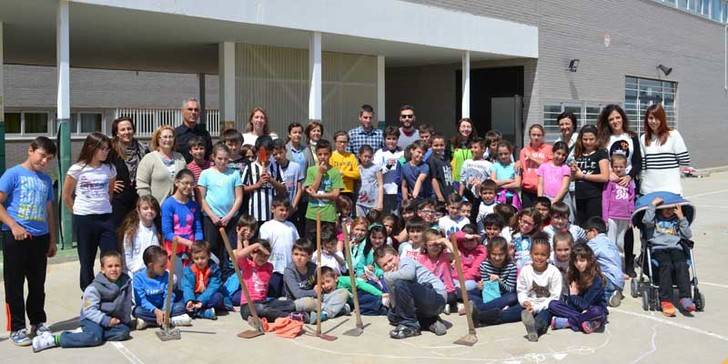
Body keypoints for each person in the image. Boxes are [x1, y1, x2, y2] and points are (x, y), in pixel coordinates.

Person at [0, 137, 57, 346]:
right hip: (15, 238)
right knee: (14, 284)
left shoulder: (45, 180)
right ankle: (17, 327)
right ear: (30, 150)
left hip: (39, 239)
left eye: (49, 159)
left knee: (37, 284)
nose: (44, 161)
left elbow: (49, 210)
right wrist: (14, 225)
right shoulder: (12, 174)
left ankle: (38, 321)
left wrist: (52, 239)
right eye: (42, 156)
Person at [31, 251, 132, 352]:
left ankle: (87, 333)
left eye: (117, 266)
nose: (114, 269)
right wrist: (106, 321)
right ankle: (54, 339)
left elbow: (127, 303)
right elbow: (89, 310)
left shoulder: (126, 282)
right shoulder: (94, 288)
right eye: (110, 266)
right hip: (91, 318)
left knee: (123, 332)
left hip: (109, 319)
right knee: (94, 338)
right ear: (102, 269)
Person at [471, 237, 561, 342]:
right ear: (531, 254)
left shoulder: (554, 272)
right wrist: (524, 302)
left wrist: (536, 308)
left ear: (548, 256)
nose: (539, 257)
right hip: (527, 306)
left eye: (543, 254)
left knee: (544, 316)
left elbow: (555, 297)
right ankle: (480, 317)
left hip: (545, 305)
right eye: (536, 254)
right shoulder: (525, 271)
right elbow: (521, 291)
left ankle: (534, 329)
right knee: (506, 314)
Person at [62, 132, 117, 292]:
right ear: (92, 148)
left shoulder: (110, 169)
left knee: (110, 254)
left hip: (106, 217)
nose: (106, 152)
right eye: (103, 149)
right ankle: (88, 291)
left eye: (108, 149)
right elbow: (66, 195)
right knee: (86, 258)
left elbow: (110, 192)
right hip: (84, 218)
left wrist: (103, 205)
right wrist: (77, 211)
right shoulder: (77, 169)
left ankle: (109, 288)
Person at [597, 104, 642, 277]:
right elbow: (602, 161)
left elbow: (638, 161)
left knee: (628, 227)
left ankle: (629, 263)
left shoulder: (632, 137)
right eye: (611, 119)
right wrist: (609, 175)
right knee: (611, 229)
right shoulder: (604, 139)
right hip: (611, 186)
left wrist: (629, 176)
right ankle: (611, 263)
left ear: (622, 118)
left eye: (617, 117)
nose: (615, 121)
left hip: (628, 185)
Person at [375, 245, 448, 338]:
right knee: (392, 316)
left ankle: (410, 326)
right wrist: (394, 311)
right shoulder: (391, 275)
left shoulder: (405, 261)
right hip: (421, 307)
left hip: (436, 298)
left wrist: (388, 276)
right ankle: (429, 322)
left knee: (400, 283)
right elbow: (394, 301)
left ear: (397, 255)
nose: (389, 265)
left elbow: (409, 275)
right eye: (384, 265)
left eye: (390, 260)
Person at [642, 197, 696, 316]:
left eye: (671, 208)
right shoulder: (654, 219)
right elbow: (646, 221)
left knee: (682, 264)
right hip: (659, 248)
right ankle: (666, 300)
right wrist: (652, 205)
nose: (669, 211)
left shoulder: (677, 220)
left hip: (675, 248)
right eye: (665, 208)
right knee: (665, 265)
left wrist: (681, 217)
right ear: (660, 209)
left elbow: (688, 235)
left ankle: (685, 297)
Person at [198, 144, 243, 274]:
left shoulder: (234, 173)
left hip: (230, 218)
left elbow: (239, 197)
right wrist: (212, 215)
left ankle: (227, 275)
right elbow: (201, 198)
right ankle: (212, 274)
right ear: (213, 157)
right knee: (211, 247)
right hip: (211, 218)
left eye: (226, 159)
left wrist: (229, 216)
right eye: (220, 158)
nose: (223, 162)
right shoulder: (206, 173)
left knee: (229, 248)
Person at [548, 243, 608, 333]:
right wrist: (572, 296)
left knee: (597, 312)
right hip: (578, 311)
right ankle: (589, 322)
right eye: (576, 261)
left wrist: (573, 295)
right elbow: (572, 304)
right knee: (553, 305)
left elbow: (586, 304)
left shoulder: (596, 279)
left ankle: (568, 322)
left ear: (589, 260)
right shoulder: (573, 274)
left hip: (593, 308)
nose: (579, 264)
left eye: (582, 260)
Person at [233, 239, 296, 321]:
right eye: (260, 254)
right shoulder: (247, 265)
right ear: (252, 253)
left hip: (264, 302)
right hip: (247, 306)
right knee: (261, 308)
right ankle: (290, 316)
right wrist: (256, 245)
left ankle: (297, 313)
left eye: (265, 256)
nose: (263, 258)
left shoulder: (269, 267)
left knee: (289, 304)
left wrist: (251, 247)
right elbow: (240, 255)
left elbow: (246, 254)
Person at [133, 246, 192, 329]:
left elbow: (169, 295)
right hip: (150, 309)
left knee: (181, 306)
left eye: (165, 265)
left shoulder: (166, 275)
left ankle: (148, 321)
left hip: (164, 307)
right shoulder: (138, 277)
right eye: (162, 266)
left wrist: (165, 310)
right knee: (137, 311)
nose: (165, 268)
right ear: (150, 266)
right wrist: (156, 311)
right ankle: (173, 320)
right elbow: (142, 301)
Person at [640, 104, 691, 196]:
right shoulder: (643, 138)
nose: (654, 121)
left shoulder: (673, 135)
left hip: (671, 190)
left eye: (657, 118)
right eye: (650, 118)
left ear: (662, 119)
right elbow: (643, 166)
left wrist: (672, 176)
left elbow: (685, 160)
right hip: (649, 190)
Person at [108, 117, 148, 228]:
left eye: (129, 129)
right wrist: (109, 184)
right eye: (123, 129)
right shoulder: (110, 150)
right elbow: (100, 169)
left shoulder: (143, 149)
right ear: (117, 133)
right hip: (117, 200)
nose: (127, 132)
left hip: (138, 198)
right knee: (118, 233)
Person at [161, 169, 204, 272]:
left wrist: (197, 245)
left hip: (192, 249)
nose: (189, 187)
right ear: (177, 182)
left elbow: (198, 229)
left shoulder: (194, 205)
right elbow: (167, 233)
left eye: (191, 184)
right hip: (174, 249)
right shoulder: (168, 204)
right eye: (185, 183)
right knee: (179, 280)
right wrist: (187, 243)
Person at [136, 125, 188, 206]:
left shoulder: (180, 158)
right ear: (158, 139)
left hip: (179, 207)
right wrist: (149, 204)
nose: (168, 139)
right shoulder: (149, 159)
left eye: (171, 137)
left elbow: (186, 180)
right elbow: (142, 185)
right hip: (157, 209)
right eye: (164, 137)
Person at [259, 198, 300, 297]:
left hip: (289, 269)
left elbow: (298, 244)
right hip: (273, 269)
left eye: (286, 210)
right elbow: (263, 246)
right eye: (281, 210)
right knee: (273, 294)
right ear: (273, 209)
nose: (284, 213)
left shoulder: (291, 226)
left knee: (288, 295)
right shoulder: (266, 226)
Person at [304, 139, 344, 239]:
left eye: (326, 154)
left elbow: (335, 194)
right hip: (313, 214)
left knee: (327, 243)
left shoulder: (334, 172)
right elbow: (312, 189)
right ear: (316, 155)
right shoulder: (311, 170)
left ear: (330, 154)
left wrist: (317, 195)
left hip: (328, 215)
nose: (323, 157)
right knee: (311, 243)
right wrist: (320, 173)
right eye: (320, 154)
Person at [571, 125, 609, 225]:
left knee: (594, 226)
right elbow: (573, 176)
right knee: (582, 226)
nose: (588, 142)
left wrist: (582, 176)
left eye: (591, 139)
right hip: (579, 196)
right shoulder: (578, 153)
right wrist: (573, 172)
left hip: (594, 196)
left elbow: (605, 177)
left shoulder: (601, 152)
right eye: (585, 139)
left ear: (597, 138)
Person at [468, 237, 517, 315]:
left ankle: (479, 309)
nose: (497, 258)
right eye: (494, 254)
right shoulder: (484, 265)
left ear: (505, 253)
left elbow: (510, 289)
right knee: (468, 293)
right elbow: (486, 289)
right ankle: (491, 308)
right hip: (490, 295)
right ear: (489, 253)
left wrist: (499, 282)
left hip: (504, 295)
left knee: (513, 297)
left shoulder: (511, 267)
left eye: (501, 255)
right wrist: (480, 287)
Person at [602, 154, 635, 267]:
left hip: (624, 217)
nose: (618, 169)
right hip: (612, 216)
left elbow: (631, 200)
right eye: (615, 167)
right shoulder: (610, 182)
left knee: (620, 243)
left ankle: (620, 267)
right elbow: (605, 199)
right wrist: (605, 218)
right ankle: (611, 266)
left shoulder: (628, 183)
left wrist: (631, 217)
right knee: (611, 242)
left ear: (625, 167)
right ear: (612, 167)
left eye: (621, 167)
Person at [242, 137, 285, 223]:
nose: (265, 156)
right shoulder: (250, 167)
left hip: (272, 214)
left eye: (268, 154)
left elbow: (283, 189)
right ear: (257, 151)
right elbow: (242, 189)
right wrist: (257, 184)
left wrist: (271, 180)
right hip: (255, 213)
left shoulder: (276, 166)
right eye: (262, 154)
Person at [583, 217, 624, 307]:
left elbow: (583, 257)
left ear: (593, 231)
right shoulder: (610, 242)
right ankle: (613, 293)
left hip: (608, 280)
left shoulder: (594, 242)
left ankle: (606, 297)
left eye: (586, 233)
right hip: (619, 282)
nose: (586, 236)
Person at [119, 195, 161, 278]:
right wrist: (136, 272)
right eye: (145, 208)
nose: (149, 211)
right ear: (138, 210)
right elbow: (126, 256)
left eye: (152, 208)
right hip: (135, 272)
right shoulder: (131, 231)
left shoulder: (158, 229)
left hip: (154, 270)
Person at [182, 241, 226, 320]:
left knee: (218, 298)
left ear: (209, 256)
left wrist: (201, 301)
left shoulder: (214, 269)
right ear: (192, 258)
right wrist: (190, 300)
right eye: (196, 258)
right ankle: (202, 312)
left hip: (207, 296)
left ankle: (195, 312)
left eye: (202, 258)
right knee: (180, 302)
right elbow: (187, 286)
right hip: (194, 296)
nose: (199, 261)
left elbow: (213, 287)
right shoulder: (188, 270)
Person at [417, 230, 457, 314]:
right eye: (432, 245)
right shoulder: (421, 258)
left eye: (438, 245)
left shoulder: (445, 257)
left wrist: (445, 241)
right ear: (425, 245)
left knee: (452, 298)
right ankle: (442, 307)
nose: (435, 247)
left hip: (447, 291)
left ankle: (441, 306)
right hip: (430, 291)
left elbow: (458, 255)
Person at [272, 138, 305, 234]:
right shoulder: (273, 168)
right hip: (277, 209)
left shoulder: (295, 167)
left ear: (285, 151)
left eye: (280, 152)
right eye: (275, 154)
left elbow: (299, 188)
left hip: (291, 208)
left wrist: (293, 206)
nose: (278, 156)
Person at [518, 124, 553, 208]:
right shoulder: (524, 151)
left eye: (539, 135)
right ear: (529, 136)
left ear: (543, 136)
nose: (536, 137)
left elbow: (550, 167)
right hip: (527, 190)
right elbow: (522, 169)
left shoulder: (549, 149)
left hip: (543, 190)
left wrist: (532, 158)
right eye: (533, 135)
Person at [374, 126, 404, 215]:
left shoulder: (401, 153)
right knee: (385, 216)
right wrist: (387, 166)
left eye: (394, 139)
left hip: (398, 191)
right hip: (384, 191)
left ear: (398, 139)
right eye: (388, 138)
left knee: (396, 216)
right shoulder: (380, 153)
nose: (391, 141)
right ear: (384, 139)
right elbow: (376, 172)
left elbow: (404, 168)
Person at [175, 98, 212, 163]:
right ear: (183, 111)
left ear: (199, 113)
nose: (193, 112)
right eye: (190, 109)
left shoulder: (205, 134)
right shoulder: (175, 134)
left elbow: (210, 156)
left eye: (196, 110)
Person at [452, 225, 487, 291]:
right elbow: (452, 237)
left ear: (477, 238)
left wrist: (461, 279)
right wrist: (466, 236)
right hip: (455, 277)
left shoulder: (481, 251)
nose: (468, 243)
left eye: (471, 240)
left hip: (470, 280)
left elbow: (474, 271)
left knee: (464, 287)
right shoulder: (460, 246)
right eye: (465, 240)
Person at [537, 141, 571, 207]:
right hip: (546, 199)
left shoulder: (566, 168)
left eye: (563, 155)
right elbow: (540, 185)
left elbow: (565, 188)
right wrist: (540, 200)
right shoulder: (543, 166)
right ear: (553, 152)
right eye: (558, 153)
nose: (560, 157)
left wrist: (554, 201)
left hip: (561, 200)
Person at [490, 141, 522, 210]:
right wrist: (508, 181)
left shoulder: (515, 166)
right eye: (500, 154)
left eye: (506, 154)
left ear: (510, 152)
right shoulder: (495, 166)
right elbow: (493, 182)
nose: (503, 156)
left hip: (512, 198)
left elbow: (517, 184)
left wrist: (501, 186)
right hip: (498, 197)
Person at [356, 145, 384, 217]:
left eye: (369, 157)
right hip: (359, 202)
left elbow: (380, 185)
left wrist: (380, 202)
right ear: (359, 156)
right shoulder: (357, 168)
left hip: (373, 203)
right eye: (365, 156)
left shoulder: (376, 168)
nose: (367, 159)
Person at [429, 133, 455, 203]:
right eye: (436, 145)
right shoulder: (432, 160)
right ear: (430, 145)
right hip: (441, 194)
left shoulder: (446, 158)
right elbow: (433, 179)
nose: (439, 147)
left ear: (445, 145)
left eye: (441, 145)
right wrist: (439, 196)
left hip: (450, 191)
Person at [449, 118, 475, 187]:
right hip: (455, 179)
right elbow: (448, 160)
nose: (466, 129)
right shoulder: (452, 142)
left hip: (471, 180)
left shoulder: (475, 143)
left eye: (468, 127)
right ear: (459, 128)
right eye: (463, 126)